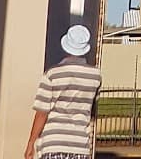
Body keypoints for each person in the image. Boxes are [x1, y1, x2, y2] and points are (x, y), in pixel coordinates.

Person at [24, 24, 103, 159]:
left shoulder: (52, 74)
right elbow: (92, 110)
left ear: (66, 46)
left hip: (53, 142)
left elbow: (42, 113)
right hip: (80, 145)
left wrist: (31, 142)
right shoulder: (96, 76)